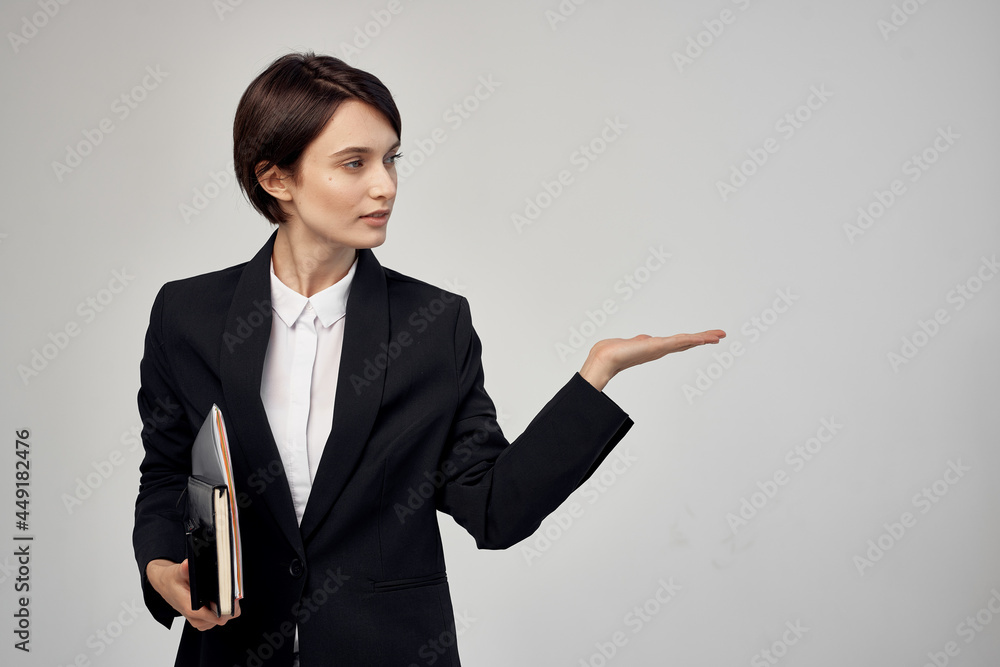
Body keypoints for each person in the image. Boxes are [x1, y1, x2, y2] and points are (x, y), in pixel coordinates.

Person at [132, 51, 725, 667]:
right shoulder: (187, 315)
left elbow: (494, 509)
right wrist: (160, 566)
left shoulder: (434, 325)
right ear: (277, 179)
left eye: (391, 159)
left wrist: (596, 375)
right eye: (355, 163)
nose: (385, 185)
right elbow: (168, 474)